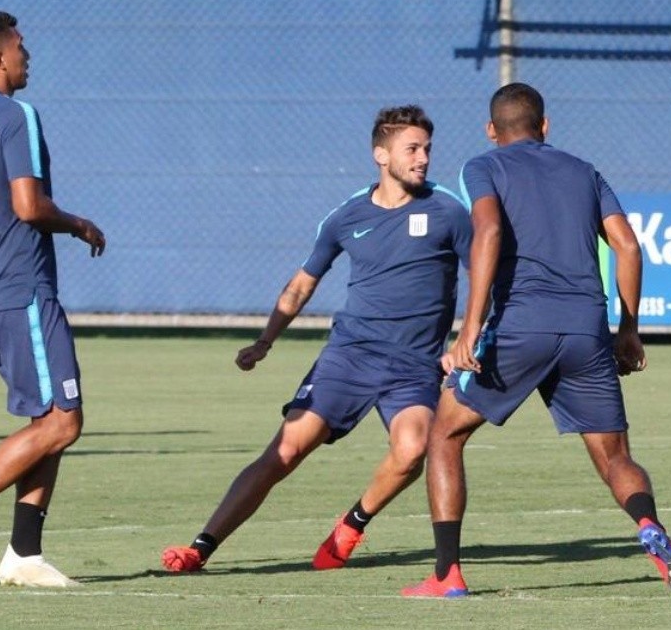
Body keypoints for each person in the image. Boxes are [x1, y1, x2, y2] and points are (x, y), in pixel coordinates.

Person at [402, 82, 671, 599]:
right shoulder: (584, 171)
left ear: (492, 131)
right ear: (545, 126)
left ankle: (446, 575)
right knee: (614, 457)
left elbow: (488, 234)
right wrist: (628, 329)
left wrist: (470, 326)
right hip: (587, 330)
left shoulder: (483, 167)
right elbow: (627, 244)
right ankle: (651, 529)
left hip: (520, 326)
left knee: (445, 435)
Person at [162, 104, 471, 573]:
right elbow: (303, 283)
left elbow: (487, 276)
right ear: (381, 155)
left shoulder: (449, 209)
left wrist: (466, 339)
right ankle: (200, 548)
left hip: (413, 367)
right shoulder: (347, 216)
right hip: (348, 358)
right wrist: (265, 341)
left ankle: (352, 524)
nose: (423, 158)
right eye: (412, 149)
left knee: (412, 451)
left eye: (427, 148)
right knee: (284, 451)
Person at [0, 9, 106, 588]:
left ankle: (23, 554)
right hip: (21, 289)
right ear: (0, 57)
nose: (29, 56)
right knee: (64, 421)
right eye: (22, 47)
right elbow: (29, 206)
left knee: (46, 418)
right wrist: (79, 223)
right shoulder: (16, 116)